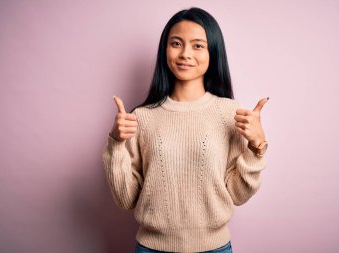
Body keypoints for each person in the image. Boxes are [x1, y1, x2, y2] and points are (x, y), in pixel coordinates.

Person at [102, 7, 269, 253]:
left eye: (198, 45)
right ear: (165, 50)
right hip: (151, 248)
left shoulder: (230, 113)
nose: (185, 54)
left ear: (213, 52)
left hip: (214, 248)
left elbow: (238, 195)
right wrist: (116, 143)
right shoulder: (141, 118)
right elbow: (126, 199)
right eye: (176, 43)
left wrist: (256, 147)